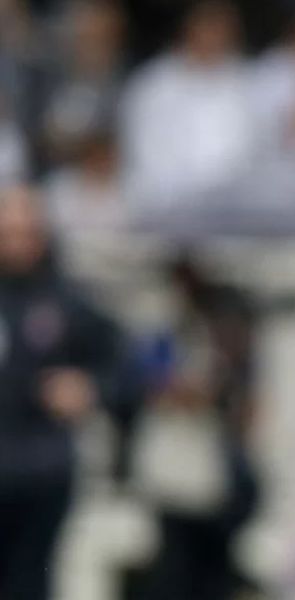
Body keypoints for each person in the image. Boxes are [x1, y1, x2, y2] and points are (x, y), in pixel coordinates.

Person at [0, 184, 129, 599]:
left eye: (27, 232)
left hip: (40, 473)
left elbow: (127, 366)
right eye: (8, 233)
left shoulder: (66, 299)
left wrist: (90, 388)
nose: (18, 244)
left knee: (29, 583)